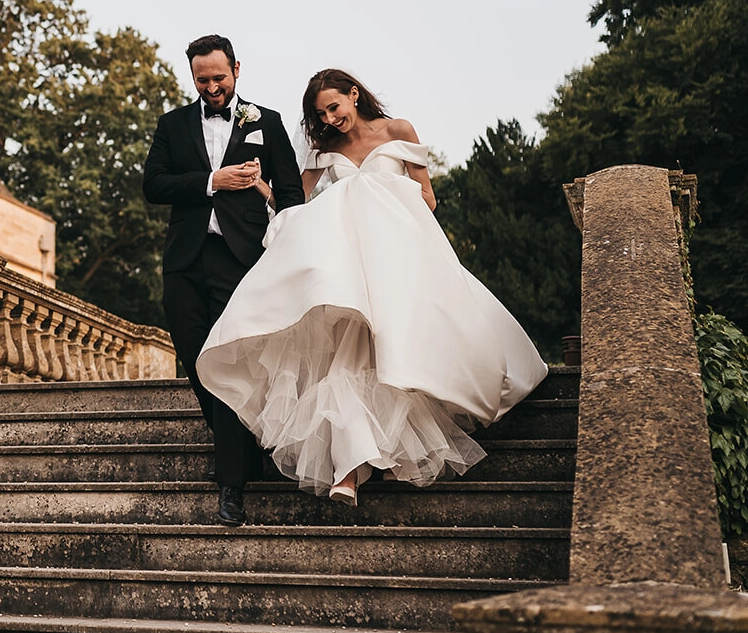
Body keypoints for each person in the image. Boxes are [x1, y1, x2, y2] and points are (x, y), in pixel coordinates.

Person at [195, 68, 548, 505]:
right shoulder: (324, 149)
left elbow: (429, 200)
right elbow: (297, 205)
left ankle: (389, 455)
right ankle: (351, 468)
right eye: (320, 114)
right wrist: (262, 186)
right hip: (351, 270)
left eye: (333, 107)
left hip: (399, 257)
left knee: (400, 350)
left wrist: (378, 198)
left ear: (354, 94)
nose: (328, 119)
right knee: (351, 354)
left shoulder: (397, 130)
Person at [142, 34, 305, 527]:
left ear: (237, 68)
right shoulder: (172, 125)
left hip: (241, 260)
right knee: (194, 355)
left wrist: (256, 185)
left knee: (228, 360)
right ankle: (249, 448)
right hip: (185, 259)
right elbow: (153, 185)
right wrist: (212, 181)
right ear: (192, 77)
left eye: (219, 77)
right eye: (202, 80)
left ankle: (231, 484)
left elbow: (294, 199)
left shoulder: (268, 123)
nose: (212, 87)